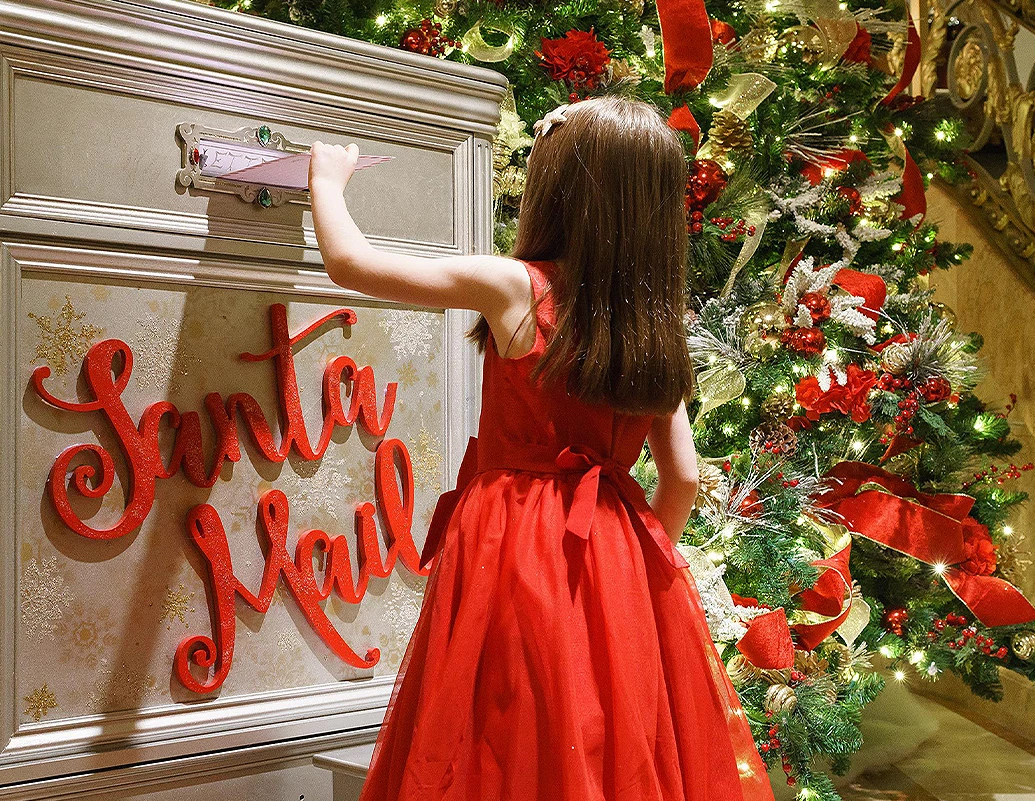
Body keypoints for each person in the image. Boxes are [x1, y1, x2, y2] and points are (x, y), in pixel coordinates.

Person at [308, 95, 772, 801]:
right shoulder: (655, 322)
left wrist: (326, 179)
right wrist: (635, 578)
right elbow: (681, 476)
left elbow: (351, 263)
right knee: (607, 735)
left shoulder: (513, 286)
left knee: (502, 722)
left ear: (561, 191)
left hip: (513, 542)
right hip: (615, 546)